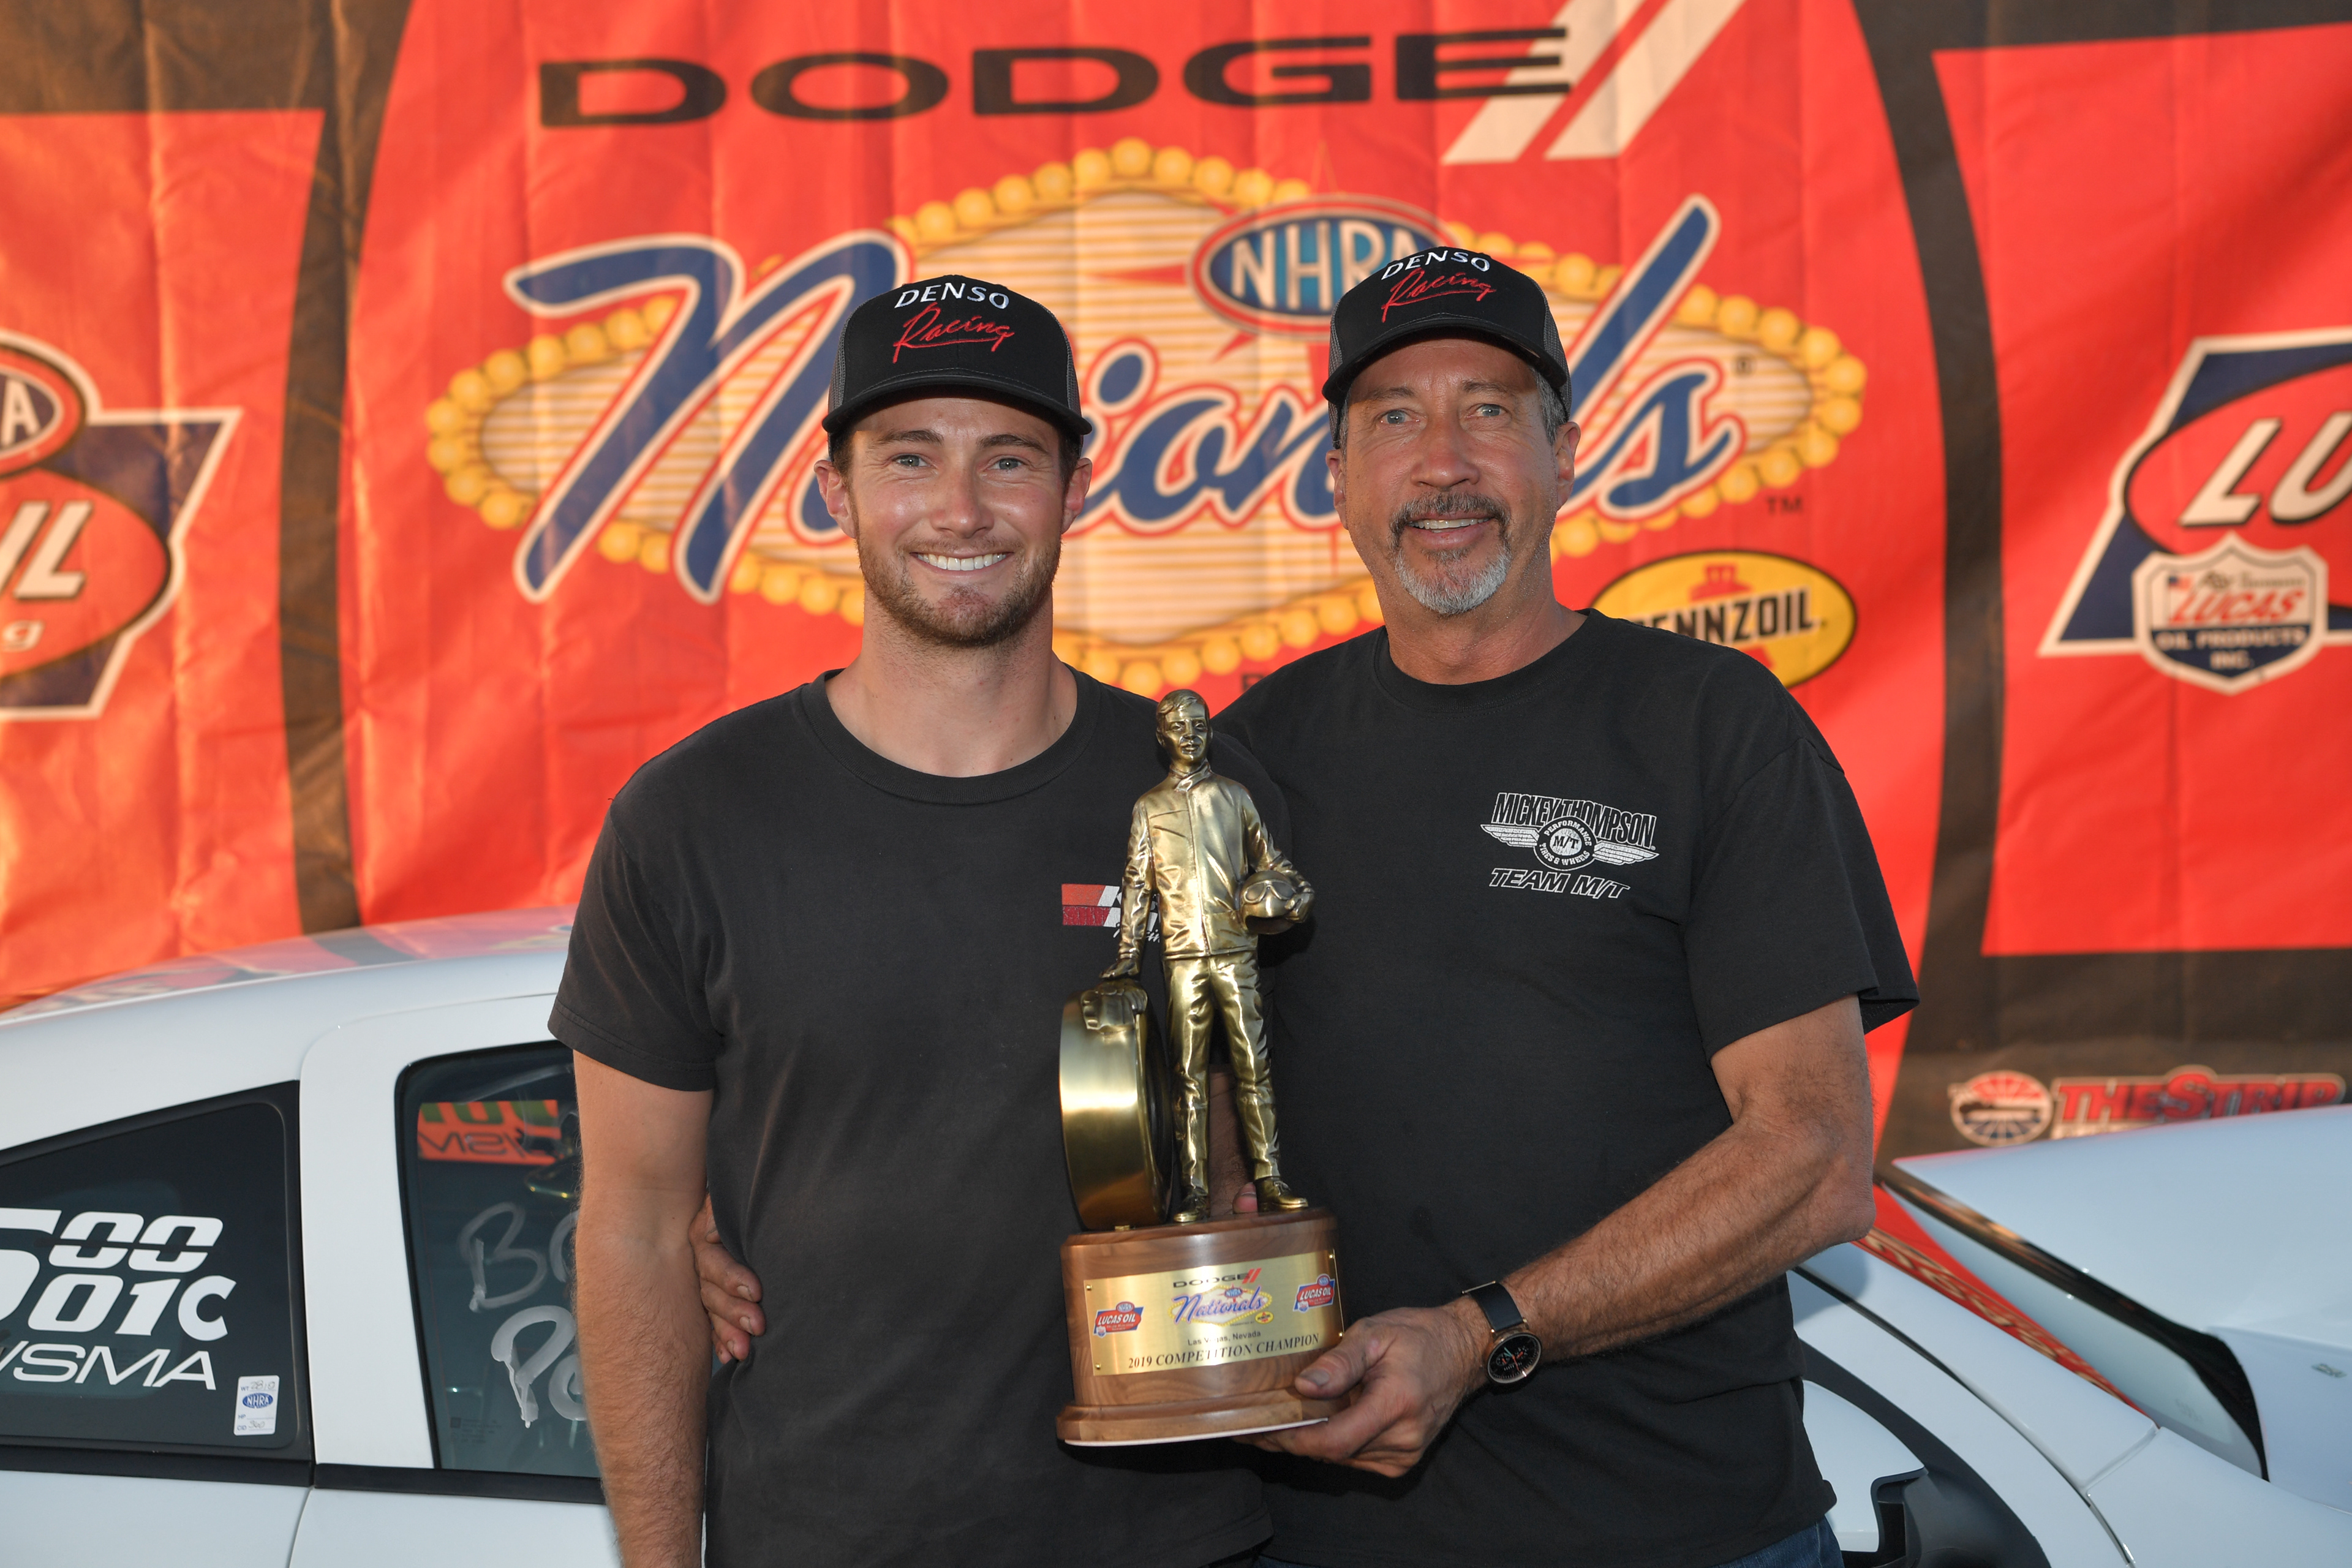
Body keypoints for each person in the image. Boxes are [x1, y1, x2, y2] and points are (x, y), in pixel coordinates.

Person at [695, 249, 1917, 1568]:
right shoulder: (1254, 753)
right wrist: (743, 1206)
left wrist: (1482, 1334)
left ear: (1565, 451)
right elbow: (1062, 1040)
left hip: (1683, 1530)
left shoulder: (1712, 729)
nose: (1442, 463)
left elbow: (1812, 1161)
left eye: (1488, 409)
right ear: (1337, 472)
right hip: (1325, 1533)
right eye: (1393, 418)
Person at [557, 275, 1276, 1568]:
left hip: (1175, 1538)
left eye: (1009, 456)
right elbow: (633, 1232)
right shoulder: (691, 820)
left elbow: (1287, 1136)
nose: (960, 508)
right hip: (822, 1536)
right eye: (908, 456)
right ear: (833, 489)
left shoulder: (1197, 789)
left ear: (1075, 487)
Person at [1102, 688, 1313, 1224]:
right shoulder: (1149, 807)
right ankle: (1195, 1191)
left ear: (1210, 731)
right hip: (1183, 960)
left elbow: (1275, 864)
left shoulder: (1236, 796)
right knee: (1188, 1077)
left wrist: (1298, 898)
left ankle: (1270, 1178)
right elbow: (1136, 885)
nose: (1190, 735)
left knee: (1254, 1069)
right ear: (1162, 736)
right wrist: (1128, 957)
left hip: (1237, 954)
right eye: (1179, 727)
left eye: (1199, 725)